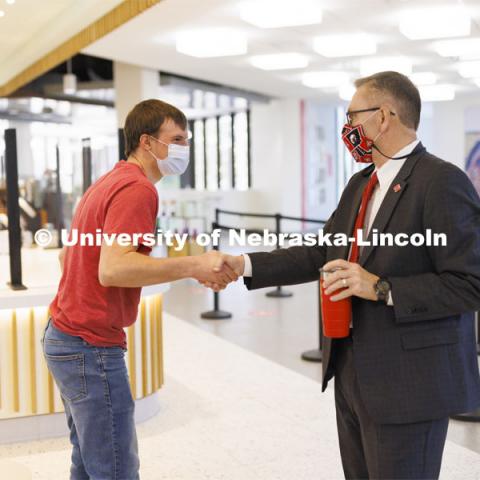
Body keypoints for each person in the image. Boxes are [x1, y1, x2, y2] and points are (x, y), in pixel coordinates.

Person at [206, 71, 480, 479]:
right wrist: (245, 264)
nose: (348, 128)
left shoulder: (441, 182)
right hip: (353, 376)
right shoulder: (361, 183)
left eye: (353, 116)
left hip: (410, 386)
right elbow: (322, 250)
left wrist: (381, 287)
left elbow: (469, 283)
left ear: (384, 117)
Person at [42, 99, 237, 480]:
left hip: (64, 336)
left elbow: (68, 257)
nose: (184, 148)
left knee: (89, 461)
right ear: (147, 142)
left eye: (187, 139)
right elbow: (113, 268)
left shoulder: (108, 180)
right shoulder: (137, 189)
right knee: (115, 467)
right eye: (177, 139)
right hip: (89, 346)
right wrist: (194, 264)